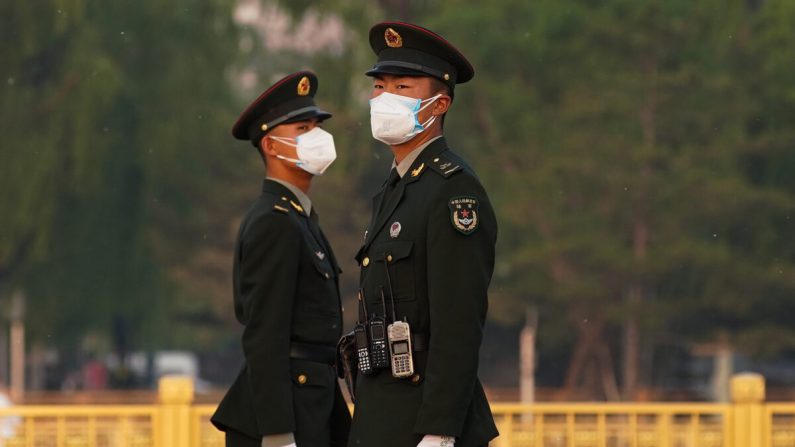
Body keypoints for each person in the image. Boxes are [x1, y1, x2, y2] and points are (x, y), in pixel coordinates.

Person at [347, 22, 499, 447]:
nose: (383, 99)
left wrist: (440, 430)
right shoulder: (394, 189)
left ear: (438, 104)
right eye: (379, 86)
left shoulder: (453, 190)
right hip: (381, 414)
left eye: (402, 87)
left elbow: (458, 322)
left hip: (422, 422)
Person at [211, 71, 351, 447]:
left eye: (316, 126)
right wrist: (277, 432)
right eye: (302, 128)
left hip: (311, 401)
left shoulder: (298, 216)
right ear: (271, 147)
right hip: (287, 411)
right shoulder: (275, 221)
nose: (316, 137)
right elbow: (265, 333)